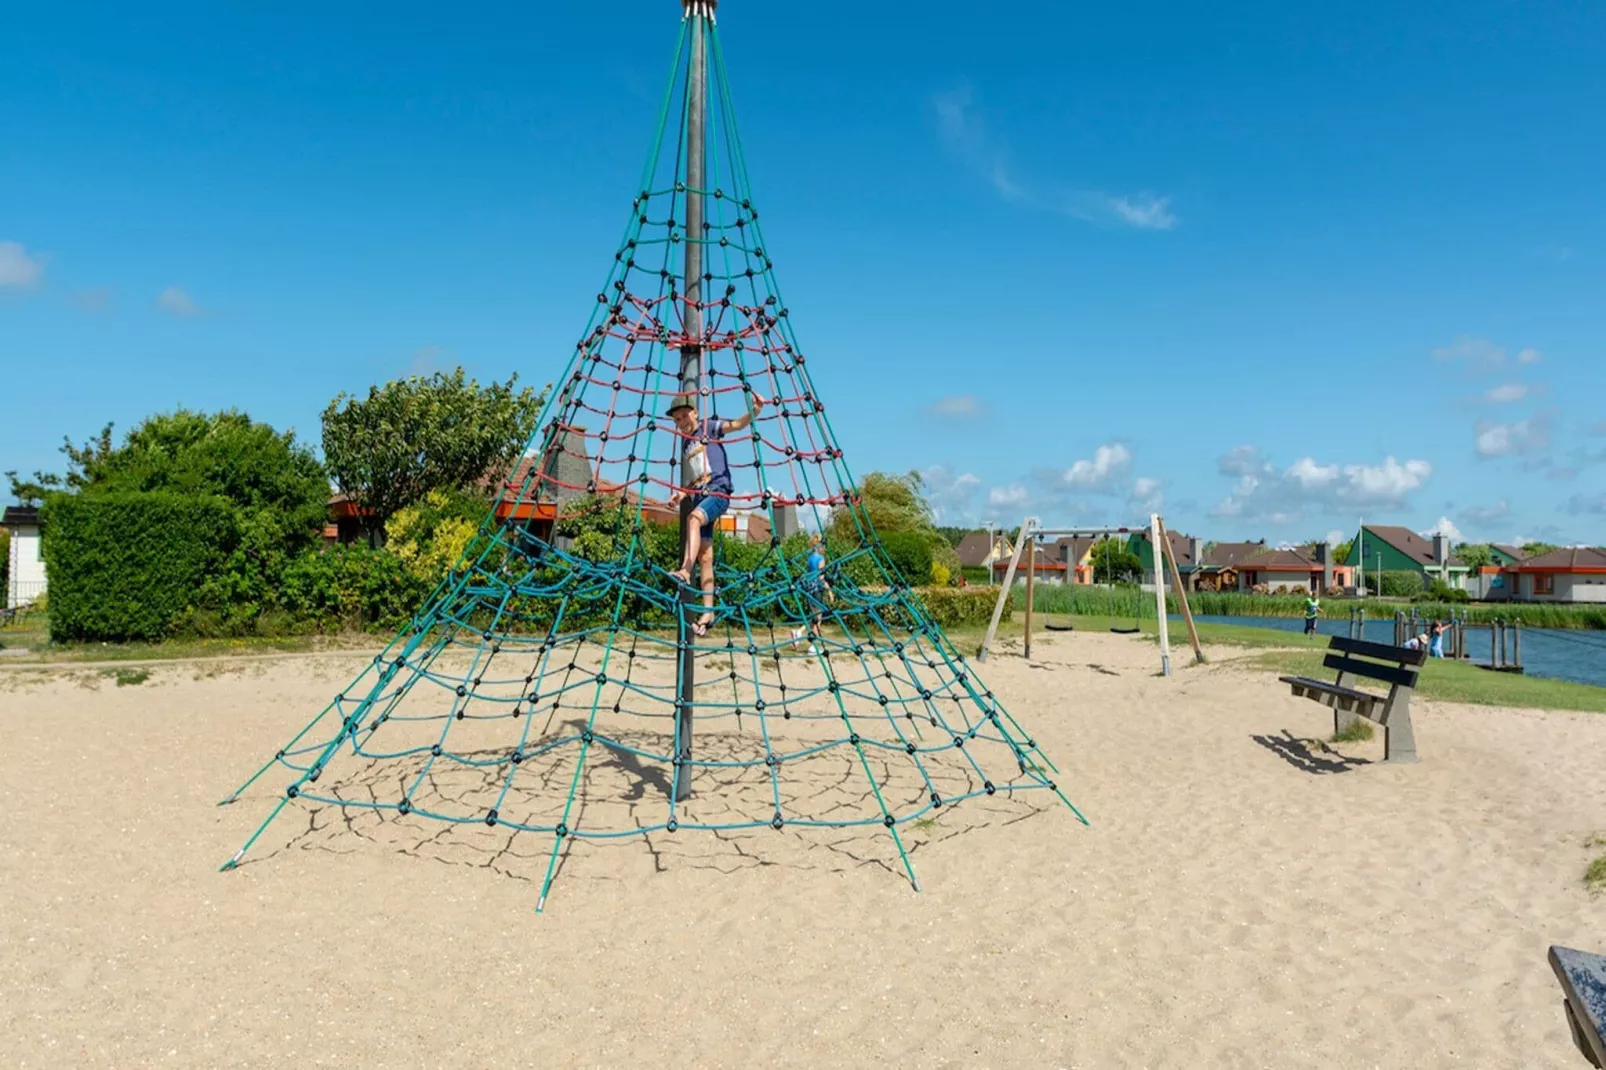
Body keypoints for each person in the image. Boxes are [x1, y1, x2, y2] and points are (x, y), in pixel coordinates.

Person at [666, 389, 766, 636]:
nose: (681, 423)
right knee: (706, 555)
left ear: (695, 413)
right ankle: (708, 611)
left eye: (684, 416)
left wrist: (755, 411)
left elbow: (737, 425)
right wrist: (681, 494)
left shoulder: (709, 428)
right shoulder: (686, 444)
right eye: (676, 419)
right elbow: (694, 479)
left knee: (693, 519)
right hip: (701, 495)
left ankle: (685, 571)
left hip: (718, 492)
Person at [791, 533, 833, 656]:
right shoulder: (820, 559)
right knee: (818, 618)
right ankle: (812, 646)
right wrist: (829, 591)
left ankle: (799, 632)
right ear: (820, 546)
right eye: (823, 546)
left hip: (809, 588)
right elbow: (821, 577)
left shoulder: (810, 558)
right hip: (817, 589)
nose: (824, 548)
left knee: (815, 616)